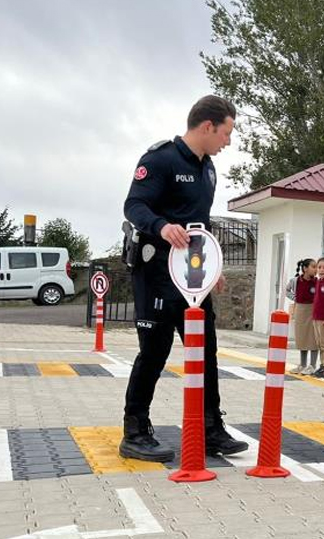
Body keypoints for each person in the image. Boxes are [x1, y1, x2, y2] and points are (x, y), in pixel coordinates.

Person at [119, 94, 246, 462]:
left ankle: (209, 428)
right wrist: (161, 226)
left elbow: (201, 226)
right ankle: (135, 431)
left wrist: (212, 268)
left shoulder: (208, 169)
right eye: (227, 132)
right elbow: (134, 205)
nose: (228, 141)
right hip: (157, 271)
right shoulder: (160, 159)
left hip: (193, 276)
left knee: (206, 349)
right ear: (208, 126)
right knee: (154, 352)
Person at [288, 259, 318, 374]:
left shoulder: (317, 282)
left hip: (313, 310)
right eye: (313, 267)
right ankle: (302, 365)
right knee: (302, 338)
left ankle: (312, 365)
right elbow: (287, 290)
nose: (316, 270)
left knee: (313, 338)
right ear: (305, 268)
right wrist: (295, 298)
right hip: (300, 310)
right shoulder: (295, 281)